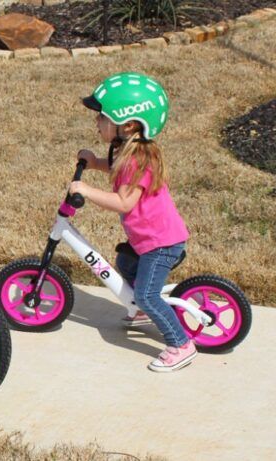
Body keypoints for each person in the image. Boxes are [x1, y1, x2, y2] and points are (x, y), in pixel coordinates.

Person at [69, 72, 194, 372]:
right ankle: (139, 313)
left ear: (126, 123)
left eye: (101, 117)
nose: (96, 122)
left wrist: (86, 189)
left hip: (161, 244)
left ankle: (180, 343)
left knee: (147, 294)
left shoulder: (139, 160)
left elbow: (124, 202)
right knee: (124, 266)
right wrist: (93, 161)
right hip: (146, 241)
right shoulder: (128, 151)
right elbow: (113, 169)